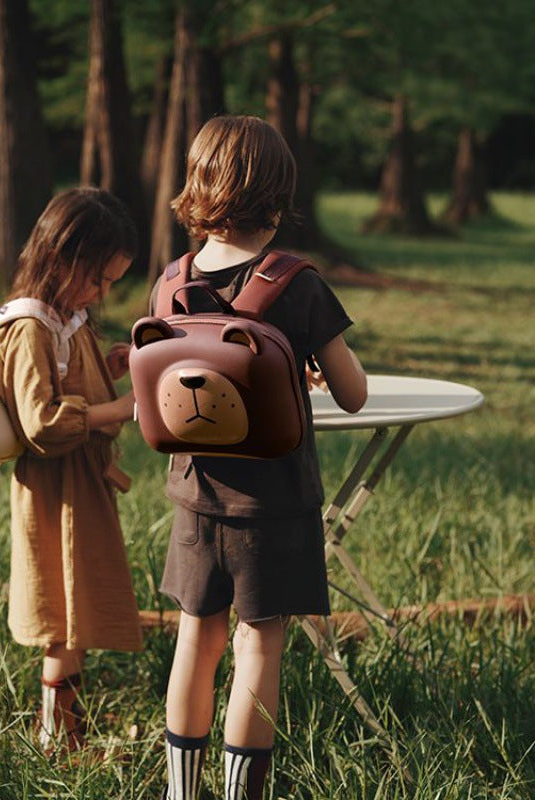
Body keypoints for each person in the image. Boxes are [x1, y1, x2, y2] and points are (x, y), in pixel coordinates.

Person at [152, 116, 367, 799]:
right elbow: (354, 393)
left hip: (193, 495)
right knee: (258, 644)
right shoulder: (296, 283)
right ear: (278, 196)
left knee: (196, 638)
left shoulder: (171, 281)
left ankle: (183, 791)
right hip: (272, 506)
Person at [0, 187, 143, 756]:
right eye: (98, 279)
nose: (101, 293)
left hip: (78, 488)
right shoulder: (31, 327)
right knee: (61, 611)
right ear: (62, 258)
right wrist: (118, 407)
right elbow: (42, 424)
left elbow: (68, 388)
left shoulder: (67, 320)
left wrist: (105, 368)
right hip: (57, 494)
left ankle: (65, 731)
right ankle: (58, 736)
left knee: (74, 611)